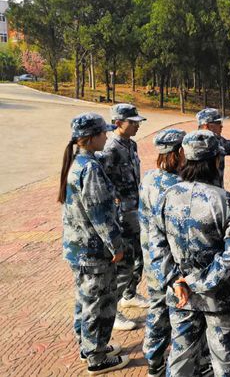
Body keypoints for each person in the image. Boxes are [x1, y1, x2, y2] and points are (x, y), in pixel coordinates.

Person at [150, 130, 230, 377]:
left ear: (185, 158)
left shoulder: (166, 197)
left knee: (180, 361)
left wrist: (175, 282)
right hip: (219, 296)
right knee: (223, 364)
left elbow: (157, 248)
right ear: (215, 161)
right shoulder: (225, 200)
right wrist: (196, 282)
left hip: (181, 296)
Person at [60, 112, 130, 375]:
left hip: (78, 248)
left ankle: (87, 346)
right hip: (93, 251)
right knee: (99, 304)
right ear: (90, 138)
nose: (107, 136)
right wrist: (116, 246)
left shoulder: (77, 161)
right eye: (103, 133)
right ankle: (96, 357)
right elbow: (100, 213)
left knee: (84, 299)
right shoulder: (89, 168)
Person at [139, 129, 191, 377]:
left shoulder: (149, 178)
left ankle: (153, 360)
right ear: (179, 152)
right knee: (181, 310)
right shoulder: (180, 187)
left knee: (157, 308)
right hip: (173, 262)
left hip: (151, 258)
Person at [97, 103, 149, 331]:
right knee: (124, 262)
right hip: (121, 216)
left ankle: (129, 293)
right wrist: (114, 203)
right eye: (132, 122)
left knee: (139, 256)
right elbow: (101, 182)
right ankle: (113, 311)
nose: (137, 125)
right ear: (118, 123)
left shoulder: (131, 144)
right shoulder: (110, 149)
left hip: (134, 210)